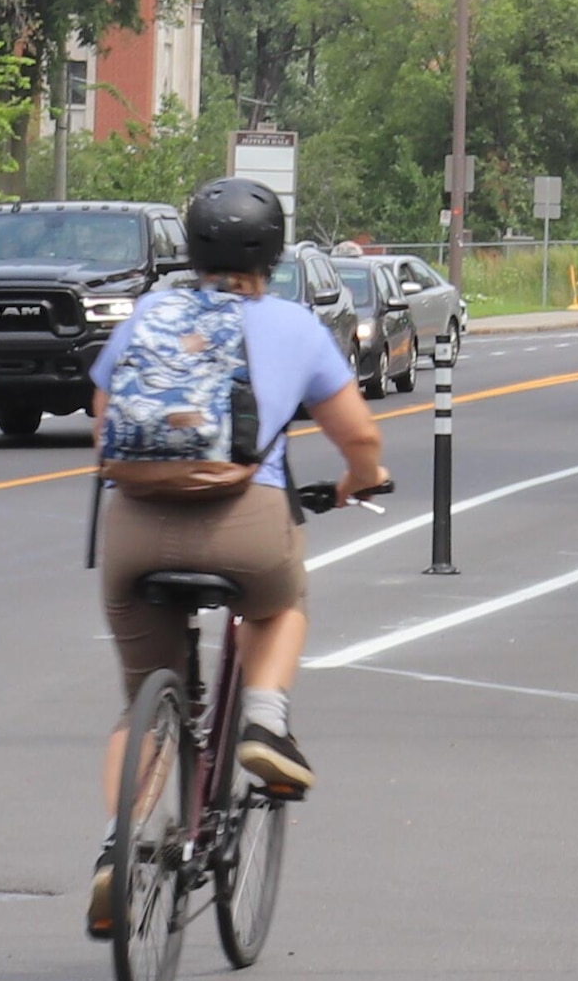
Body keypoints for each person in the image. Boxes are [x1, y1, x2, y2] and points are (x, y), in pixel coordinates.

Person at [84, 174, 387, 937]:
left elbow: (102, 415)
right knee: (280, 605)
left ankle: (122, 851)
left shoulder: (150, 313)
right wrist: (361, 479)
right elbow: (359, 435)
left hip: (134, 529)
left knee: (144, 706)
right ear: (274, 254)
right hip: (246, 521)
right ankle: (263, 719)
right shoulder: (294, 328)